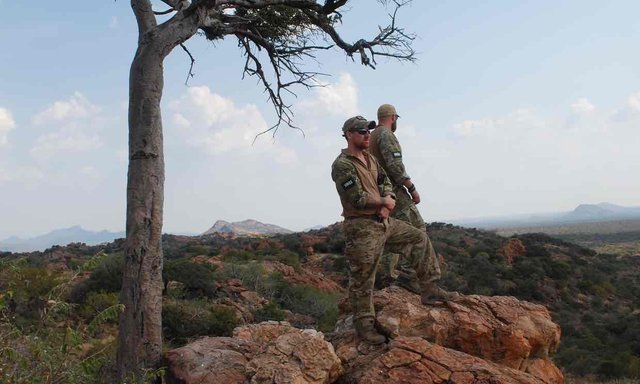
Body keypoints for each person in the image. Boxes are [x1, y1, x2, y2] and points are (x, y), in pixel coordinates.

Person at [331, 115, 428, 344]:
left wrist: (388, 199)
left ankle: (430, 288)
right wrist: (383, 203)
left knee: (418, 238)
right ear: (348, 135)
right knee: (363, 278)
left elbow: (385, 181)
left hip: (383, 220)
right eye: (361, 131)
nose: (367, 135)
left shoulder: (371, 159)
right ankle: (364, 326)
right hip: (361, 227)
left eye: (368, 131)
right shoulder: (342, 165)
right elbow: (357, 198)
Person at [369, 104, 460, 304]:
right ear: (393, 118)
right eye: (395, 119)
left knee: (398, 235)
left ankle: (405, 277)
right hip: (394, 193)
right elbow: (395, 165)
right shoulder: (386, 135)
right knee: (417, 231)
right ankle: (414, 280)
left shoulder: (372, 136)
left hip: (381, 193)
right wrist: (411, 187)